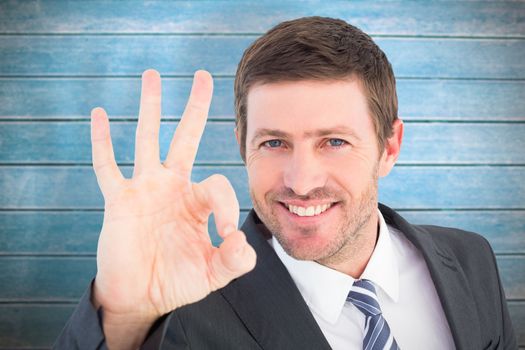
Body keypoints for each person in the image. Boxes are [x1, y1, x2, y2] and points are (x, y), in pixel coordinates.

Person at [54, 16, 517, 350]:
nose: (301, 181)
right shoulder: (191, 315)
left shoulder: (470, 260)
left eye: (334, 141)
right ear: (242, 146)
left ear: (389, 148)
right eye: (274, 143)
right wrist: (125, 314)